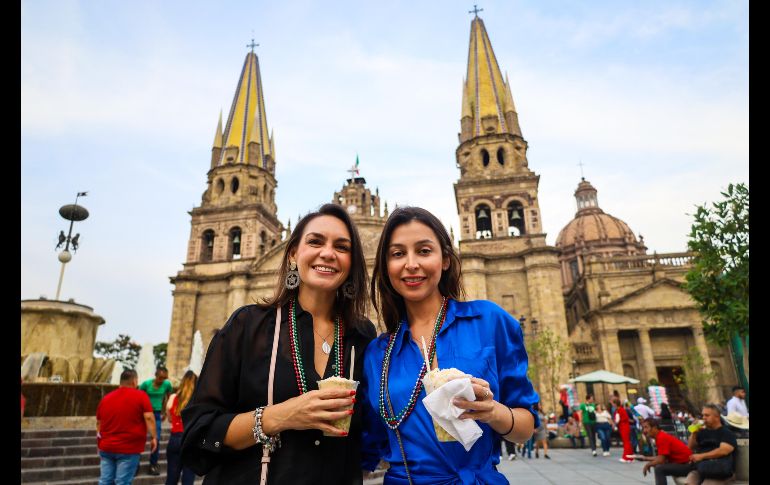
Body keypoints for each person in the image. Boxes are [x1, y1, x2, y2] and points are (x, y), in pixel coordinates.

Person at [180, 204, 377, 484]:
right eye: (315, 241)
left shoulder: (363, 336)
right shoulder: (248, 326)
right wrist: (279, 416)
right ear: (294, 253)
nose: (328, 253)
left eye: (342, 247)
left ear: (352, 263)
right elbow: (198, 431)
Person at [362, 206, 539, 484]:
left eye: (423, 251)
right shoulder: (377, 353)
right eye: (397, 254)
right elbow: (368, 444)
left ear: (445, 259)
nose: (411, 264)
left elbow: (525, 427)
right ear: (386, 266)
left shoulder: (489, 321)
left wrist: (493, 412)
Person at [96, 369, 157, 485]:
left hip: (107, 447)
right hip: (129, 448)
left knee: (105, 481)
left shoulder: (106, 398)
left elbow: (99, 423)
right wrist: (154, 437)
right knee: (122, 482)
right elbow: (149, 417)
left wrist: (99, 441)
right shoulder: (141, 396)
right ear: (134, 381)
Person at [682, 404, 738, 485]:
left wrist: (701, 456)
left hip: (720, 471)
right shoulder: (702, 432)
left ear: (717, 417)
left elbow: (723, 451)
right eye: (703, 415)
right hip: (701, 469)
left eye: (707, 415)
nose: (704, 418)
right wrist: (694, 433)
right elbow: (690, 447)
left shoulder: (726, 433)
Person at [165, 370, 198, 485]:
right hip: (191, 440)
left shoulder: (174, 397)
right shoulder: (198, 400)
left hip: (175, 439)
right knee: (188, 479)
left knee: (171, 478)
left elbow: (169, 418)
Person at [139, 366, 173, 475]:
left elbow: (169, 399)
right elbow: (138, 398)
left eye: (164, 378)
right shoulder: (146, 384)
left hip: (157, 414)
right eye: (160, 378)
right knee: (139, 438)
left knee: (156, 439)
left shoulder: (167, 385)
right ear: (156, 375)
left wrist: (166, 413)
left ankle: (153, 464)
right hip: (144, 414)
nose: (162, 380)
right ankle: (135, 464)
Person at [638, 417, 693, 485]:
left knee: (659, 469)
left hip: (687, 465)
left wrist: (648, 464)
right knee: (659, 467)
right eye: (643, 428)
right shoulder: (660, 436)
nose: (644, 431)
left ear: (654, 428)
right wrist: (644, 458)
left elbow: (661, 460)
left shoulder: (661, 437)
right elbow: (661, 457)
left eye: (646, 427)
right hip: (684, 464)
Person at [613, 395, 634, 463]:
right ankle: (630, 457)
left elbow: (624, 418)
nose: (613, 405)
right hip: (623, 426)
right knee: (627, 442)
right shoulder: (620, 410)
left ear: (615, 404)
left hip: (624, 426)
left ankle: (626, 456)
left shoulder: (620, 410)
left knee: (626, 442)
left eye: (613, 403)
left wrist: (617, 421)